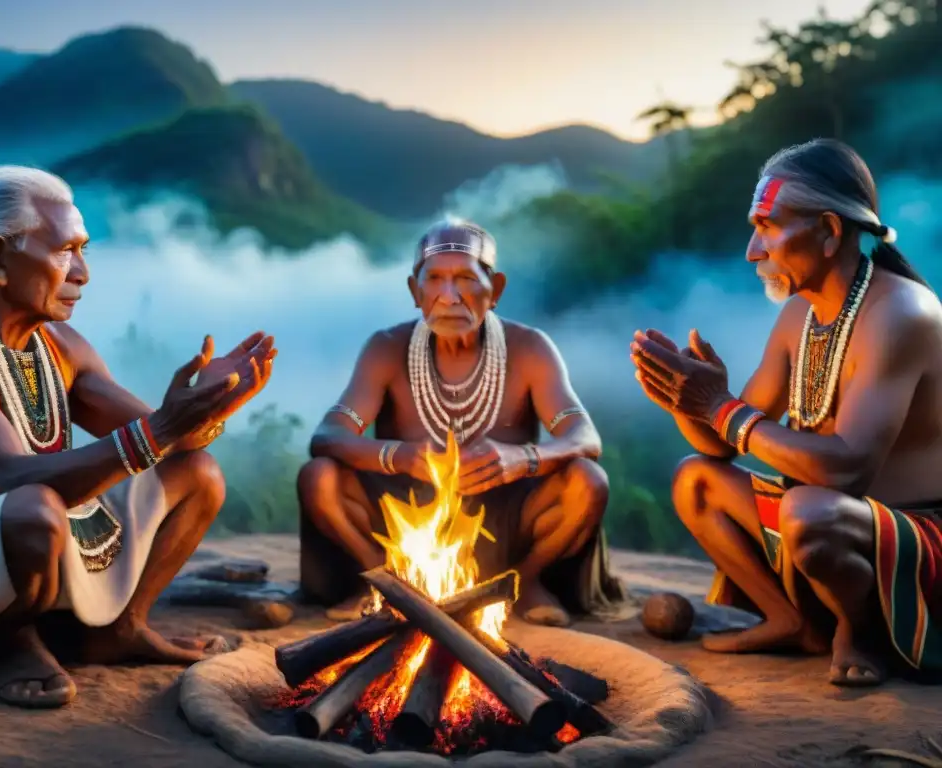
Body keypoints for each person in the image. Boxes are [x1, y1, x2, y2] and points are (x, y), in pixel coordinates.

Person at [0, 166, 277, 709]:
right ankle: (4, 640)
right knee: (32, 510)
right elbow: (2, 478)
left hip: (35, 522)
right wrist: (163, 428)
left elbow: (159, 441)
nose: (82, 272)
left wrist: (211, 405)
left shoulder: (59, 343)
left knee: (195, 474)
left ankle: (120, 628)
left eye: (84, 250)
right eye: (65, 250)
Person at [630, 138, 942, 687]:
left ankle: (860, 628)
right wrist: (687, 403)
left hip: (911, 535)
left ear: (828, 230)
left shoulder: (901, 312)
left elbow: (848, 468)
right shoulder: (801, 312)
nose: (753, 249)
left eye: (769, 226)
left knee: (808, 511)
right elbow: (724, 443)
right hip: (827, 514)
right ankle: (792, 620)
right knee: (696, 480)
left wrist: (719, 408)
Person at [296, 218, 626, 627]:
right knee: (320, 477)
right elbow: (328, 436)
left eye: (466, 279)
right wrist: (400, 456)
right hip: (407, 510)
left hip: (506, 512)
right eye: (434, 279)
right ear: (416, 292)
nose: (450, 296)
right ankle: (385, 583)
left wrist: (522, 458)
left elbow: (584, 436)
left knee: (587, 481)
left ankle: (521, 585)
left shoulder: (530, 349)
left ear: (496, 289)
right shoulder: (386, 348)